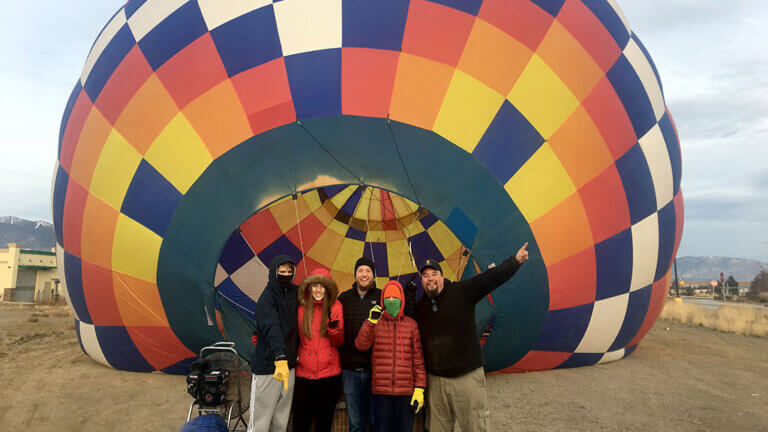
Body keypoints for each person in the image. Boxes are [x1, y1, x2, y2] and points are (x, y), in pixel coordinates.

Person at [413, 243, 530, 432]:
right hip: (436, 382)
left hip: (466, 377)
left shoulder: (462, 291)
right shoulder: (420, 307)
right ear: (422, 281)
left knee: (475, 426)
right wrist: (409, 300)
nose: (430, 279)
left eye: (434, 274)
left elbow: (490, 278)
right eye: (425, 276)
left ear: (442, 276)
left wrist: (514, 262)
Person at [355, 280, 426, 432]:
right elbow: (361, 345)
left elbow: (418, 360)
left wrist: (419, 389)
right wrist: (370, 322)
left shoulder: (411, 324)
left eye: (395, 298)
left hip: (405, 393)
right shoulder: (376, 322)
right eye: (388, 298)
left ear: (402, 299)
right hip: (381, 393)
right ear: (382, 300)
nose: (392, 301)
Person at [248, 255, 299, 432]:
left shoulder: (295, 293)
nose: (286, 274)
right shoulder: (266, 298)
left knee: (281, 418)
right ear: (273, 273)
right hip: (270, 366)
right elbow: (272, 327)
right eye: (281, 271)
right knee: (261, 420)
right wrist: (280, 356)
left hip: (289, 366)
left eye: (289, 271)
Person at [292, 268, 345, 432]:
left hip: (328, 376)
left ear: (327, 288)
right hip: (304, 375)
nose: (318, 290)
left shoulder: (336, 306)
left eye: (322, 286)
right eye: (315, 285)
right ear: (309, 287)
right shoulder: (301, 309)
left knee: (324, 423)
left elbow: (339, 342)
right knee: (301, 423)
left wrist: (334, 331)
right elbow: (292, 335)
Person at [336, 257, 381, 432]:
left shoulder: (381, 296)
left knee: (375, 420)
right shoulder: (344, 298)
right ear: (355, 275)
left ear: (373, 275)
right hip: (350, 371)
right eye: (361, 271)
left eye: (368, 271)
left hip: (375, 369)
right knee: (355, 423)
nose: (364, 275)